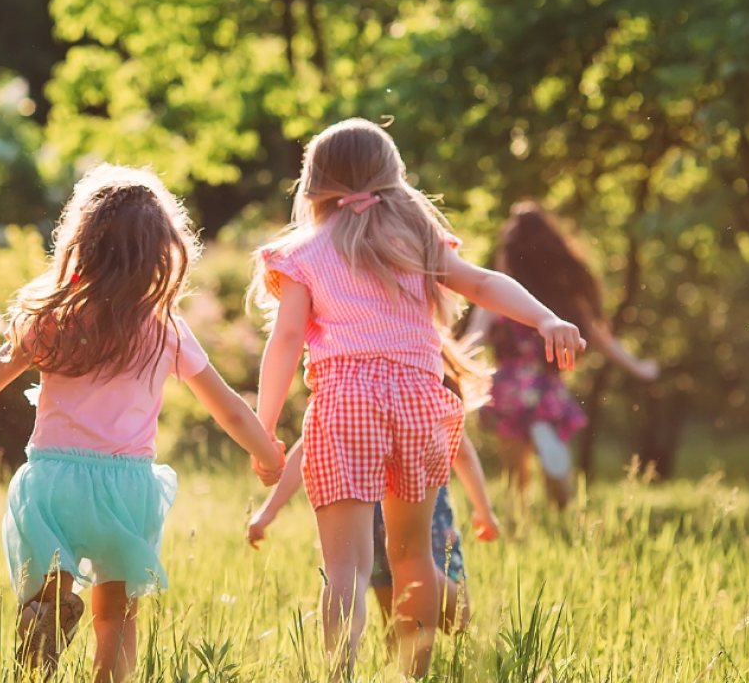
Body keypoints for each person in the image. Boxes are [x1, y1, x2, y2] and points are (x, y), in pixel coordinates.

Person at [0, 165, 286, 683]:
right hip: (126, 487)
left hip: (54, 479)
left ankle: (49, 606)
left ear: (81, 242)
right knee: (117, 616)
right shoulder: (164, 327)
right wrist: (265, 453)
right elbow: (230, 408)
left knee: (49, 579)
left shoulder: (51, 316)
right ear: (159, 251)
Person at [248, 118, 584, 677]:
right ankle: (413, 672)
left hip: (346, 400)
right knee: (413, 556)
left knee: (346, 566)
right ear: (391, 175)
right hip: (420, 401)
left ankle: (337, 676)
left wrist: (262, 433)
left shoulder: (303, 252)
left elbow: (284, 342)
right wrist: (546, 316)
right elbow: (479, 283)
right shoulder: (417, 236)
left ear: (314, 181)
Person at [247, 342, 502, 638]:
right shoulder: (420, 385)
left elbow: (306, 449)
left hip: (383, 515)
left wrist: (269, 512)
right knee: (448, 618)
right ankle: (425, 591)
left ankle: (421, 604)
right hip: (415, 510)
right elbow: (466, 455)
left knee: (406, 616)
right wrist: (484, 512)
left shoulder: (370, 372)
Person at [467, 202, 659, 509]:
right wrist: (639, 367)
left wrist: (448, 365)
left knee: (514, 478)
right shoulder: (560, 300)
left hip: (508, 390)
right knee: (560, 489)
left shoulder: (497, 300)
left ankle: (518, 530)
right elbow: (603, 340)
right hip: (545, 389)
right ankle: (560, 497)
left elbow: (472, 341)